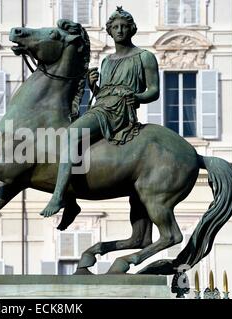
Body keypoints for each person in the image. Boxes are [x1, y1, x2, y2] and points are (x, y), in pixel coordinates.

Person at [40, 6, 160, 219]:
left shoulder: (145, 57)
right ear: (110, 31)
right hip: (101, 106)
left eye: (124, 26)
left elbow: (153, 91)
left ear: (132, 30)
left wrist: (138, 97)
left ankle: (59, 196)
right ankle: (71, 198)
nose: (120, 30)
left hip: (119, 111)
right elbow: (103, 93)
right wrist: (92, 85)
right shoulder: (107, 61)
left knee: (71, 134)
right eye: (115, 27)